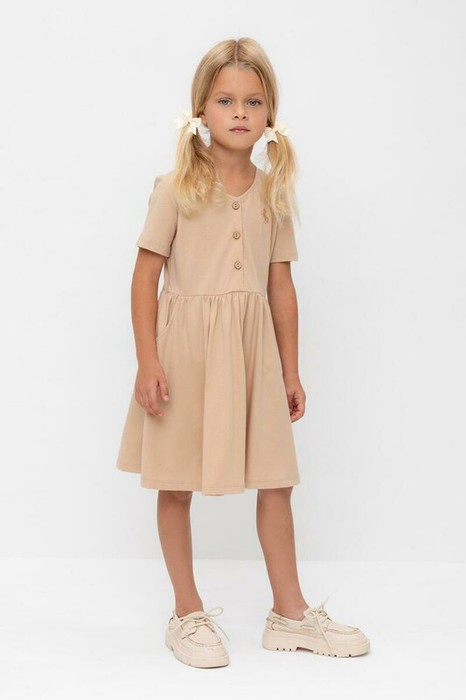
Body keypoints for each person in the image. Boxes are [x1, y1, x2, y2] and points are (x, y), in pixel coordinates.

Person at [116, 36, 370, 668]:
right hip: (184, 356)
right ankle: (186, 612)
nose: (239, 112)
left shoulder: (272, 192)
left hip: (253, 357)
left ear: (269, 113)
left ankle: (290, 613)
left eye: (253, 102)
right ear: (201, 108)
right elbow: (145, 276)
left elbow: (281, 286)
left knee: (277, 480)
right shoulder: (175, 187)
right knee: (176, 482)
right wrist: (148, 361)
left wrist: (291, 369)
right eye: (225, 100)